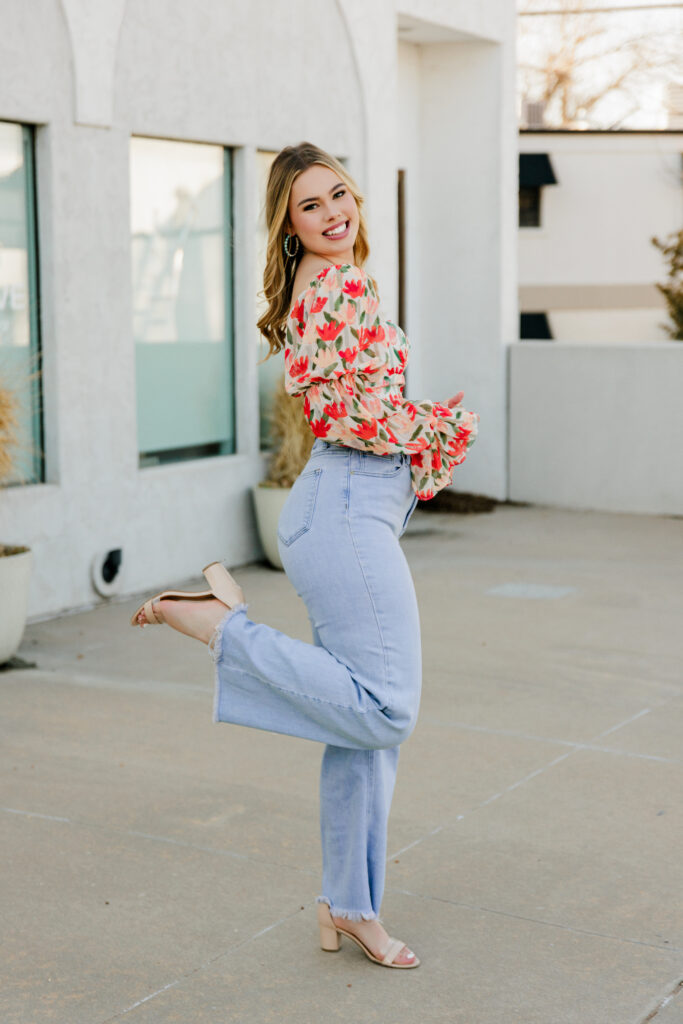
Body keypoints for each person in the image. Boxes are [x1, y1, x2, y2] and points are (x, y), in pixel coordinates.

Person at [131, 141, 479, 969]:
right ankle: (222, 628)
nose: (333, 215)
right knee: (386, 707)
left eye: (339, 197)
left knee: (361, 729)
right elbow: (341, 415)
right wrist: (424, 428)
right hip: (346, 506)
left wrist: (414, 423)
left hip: (348, 507)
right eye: (310, 208)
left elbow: (356, 401)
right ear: (287, 228)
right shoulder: (340, 285)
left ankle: (348, 906)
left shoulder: (322, 288)